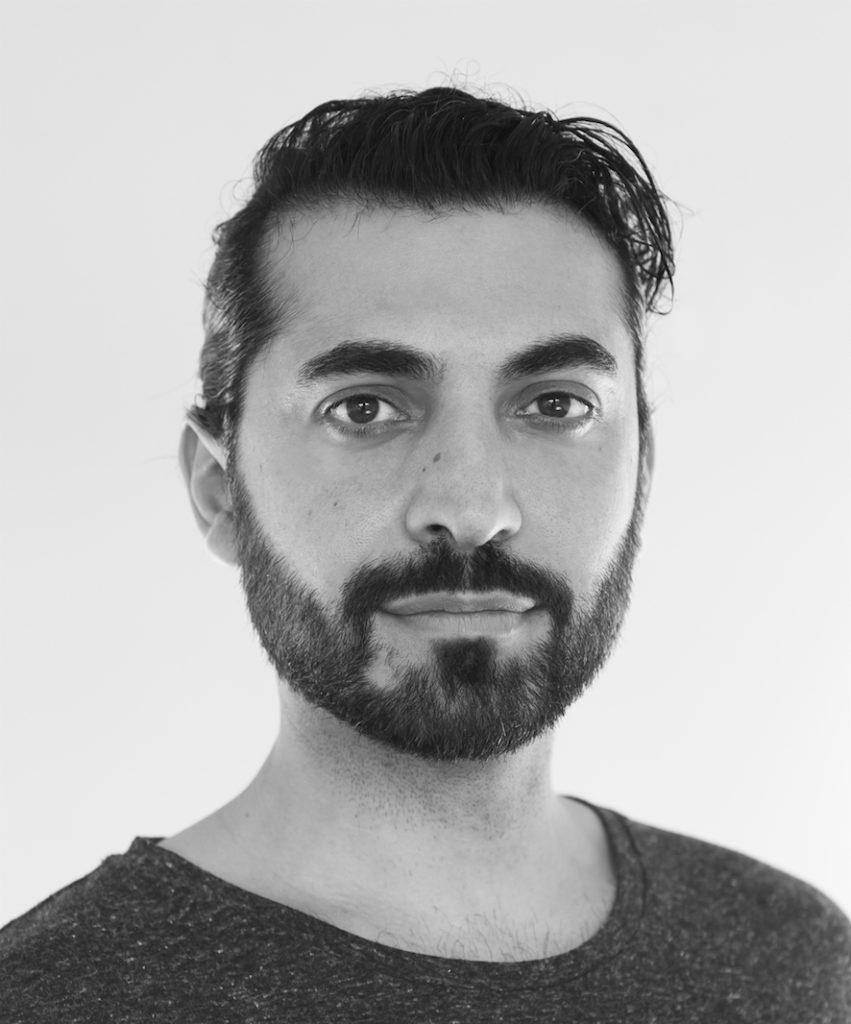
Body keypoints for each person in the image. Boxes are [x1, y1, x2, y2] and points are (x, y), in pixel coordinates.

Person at [2, 86, 849, 1023]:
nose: (472, 509)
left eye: (555, 405)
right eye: (363, 408)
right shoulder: (48, 998)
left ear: (640, 472)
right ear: (219, 490)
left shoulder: (792, 958)